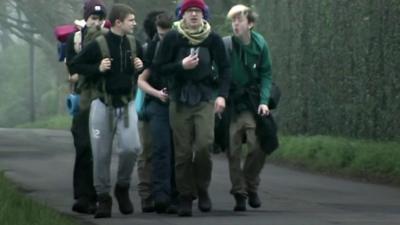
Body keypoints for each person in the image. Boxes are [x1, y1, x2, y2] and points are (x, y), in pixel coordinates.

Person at [152, 0, 230, 217]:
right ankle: (185, 196)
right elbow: (158, 68)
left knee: (204, 146)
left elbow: (225, 68)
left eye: (197, 11)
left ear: (203, 15)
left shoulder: (212, 38)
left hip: (204, 98)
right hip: (179, 99)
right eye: (189, 11)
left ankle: (202, 189)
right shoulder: (172, 38)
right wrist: (181, 66)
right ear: (182, 15)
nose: (194, 14)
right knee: (183, 152)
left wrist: (222, 96)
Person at [68, 3, 144, 218]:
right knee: (101, 155)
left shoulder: (134, 43)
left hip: (127, 105)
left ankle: (122, 187)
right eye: (131, 20)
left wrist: (140, 65)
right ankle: (103, 198)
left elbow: (147, 65)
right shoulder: (98, 44)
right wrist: (97, 69)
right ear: (118, 22)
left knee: (132, 148)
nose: (134, 23)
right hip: (102, 105)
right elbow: (75, 65)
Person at [224, 4, 273, 211]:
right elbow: (218, 71)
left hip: (252, 102)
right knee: (233, 148)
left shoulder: (260, 44)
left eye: (240, 20)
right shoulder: (226, 44)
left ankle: (250, 184)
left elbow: (266, 74)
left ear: (250, 24)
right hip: (231, 103)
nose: (236, 24)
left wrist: (264, 101)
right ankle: (240, 193)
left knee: (259, 145)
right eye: (233, 20)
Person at [65, 0, 107, 214]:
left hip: (103, 99)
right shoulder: (76, 39)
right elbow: (72, 70)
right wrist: (95, 69)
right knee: (83, 147)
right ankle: (83, 196)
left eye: (100, 19)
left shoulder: (110, 40)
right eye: (93, 18)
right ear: (86, 18)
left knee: (99, 150)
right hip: (82, 100)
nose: (97, 23)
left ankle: (101, 196)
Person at [137, 12, 178, 214]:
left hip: (179, 103)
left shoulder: (182, 46)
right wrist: (156, 94)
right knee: (157, 149)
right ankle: (156, 196)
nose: (165, 39)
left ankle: (176, 194)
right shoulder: (151, 49)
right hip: (155, 103)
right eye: (161, 35)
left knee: (178, 150)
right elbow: (142, 78)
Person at [136, 10, 167, 213]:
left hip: (156, 106)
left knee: (154, 151)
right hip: (149, 104)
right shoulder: (148, 50)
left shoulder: (148, 47)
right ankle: (148, 195)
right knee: (149, 150)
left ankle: (152, 194)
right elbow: (140, 80)